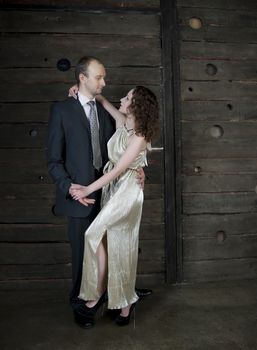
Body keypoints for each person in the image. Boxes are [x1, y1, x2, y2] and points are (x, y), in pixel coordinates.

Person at [47, 56, 151, 329]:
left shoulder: (107, 112)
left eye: (104, 77)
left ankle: (118, 296)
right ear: (82, 78)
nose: (104, 83)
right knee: (85, 249)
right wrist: (70, 188)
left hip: (111, 191)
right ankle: (82, 303)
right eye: (99, 77)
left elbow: (126, 152)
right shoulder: (62, 110)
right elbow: (54, 160)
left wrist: (139, 169)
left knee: (115, 245)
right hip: (81, 193)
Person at [70, 85, 159, 326]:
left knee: (97, 235)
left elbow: (120, 169)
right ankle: (124, 304)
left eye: (128, 97)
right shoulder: (124, 122)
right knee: (115, 243)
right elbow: (102, 100)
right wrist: (82, 90)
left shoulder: (140, 135)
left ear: (137, 105)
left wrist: (88, 189)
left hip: (128, 190)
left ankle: (94, 297)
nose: (122, 98)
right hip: (114, 188)